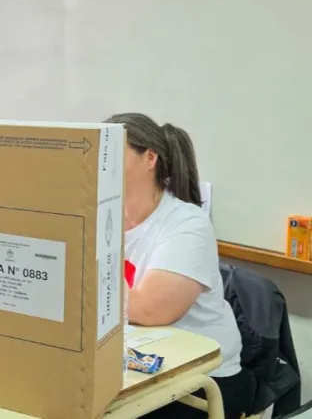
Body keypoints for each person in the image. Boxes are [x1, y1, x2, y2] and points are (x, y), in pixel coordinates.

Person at [107, 113, 251, 419]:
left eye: (113, 150)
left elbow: (151, 311)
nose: (102, 161)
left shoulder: (187, 224)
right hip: (138, 366)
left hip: (204, 378)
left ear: (150, 158)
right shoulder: (104, 217)